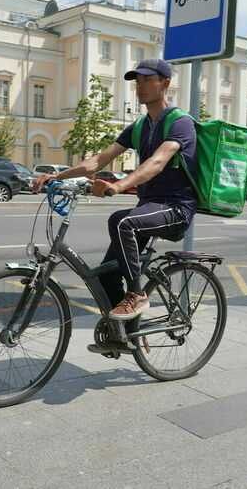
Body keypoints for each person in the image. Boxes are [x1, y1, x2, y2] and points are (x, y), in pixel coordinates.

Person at [33, 58, 198, 350]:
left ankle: (136, 295)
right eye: (137, 81)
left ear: (165, 84)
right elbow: (98, 161)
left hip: (175, 208)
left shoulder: (180, 122)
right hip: (149, 207)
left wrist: (119, 185)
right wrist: (56, 175)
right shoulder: (139, 127)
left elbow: (158, 162)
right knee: (108, 272)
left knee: (122, 221)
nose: (140, 86)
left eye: (147, 80)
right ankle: (121, 336)